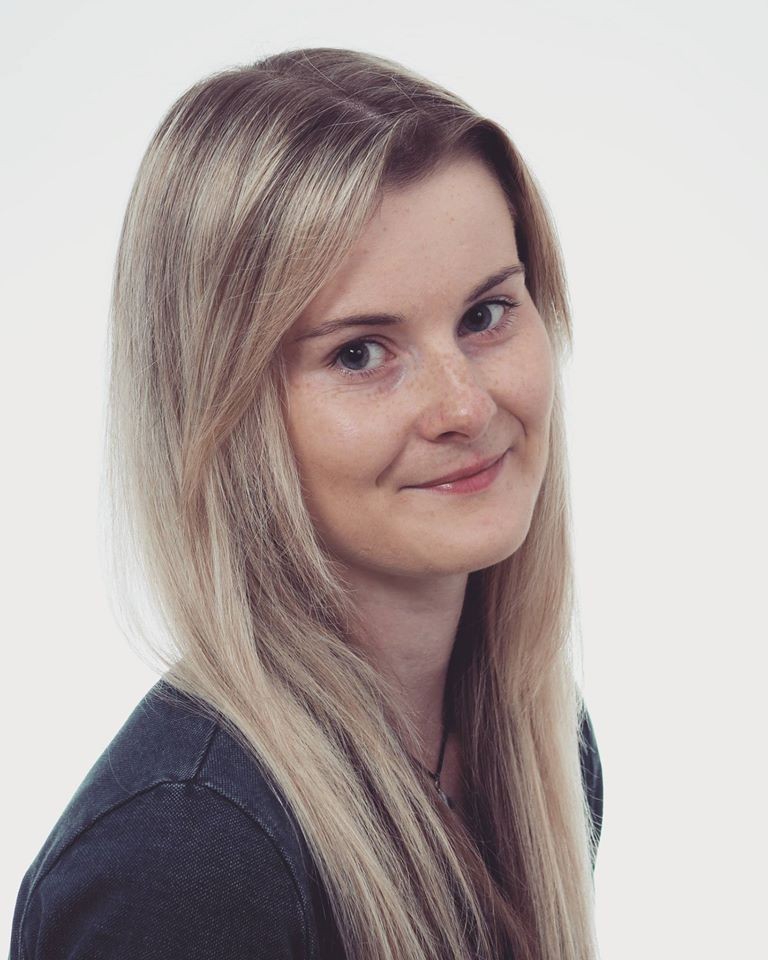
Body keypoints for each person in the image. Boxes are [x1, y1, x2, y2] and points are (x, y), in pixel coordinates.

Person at [9, 47, 604, 960]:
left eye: (485, 315)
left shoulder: (539, 749)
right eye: (360, 353)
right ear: (223, 411)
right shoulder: (179, 867)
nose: (464, 406)